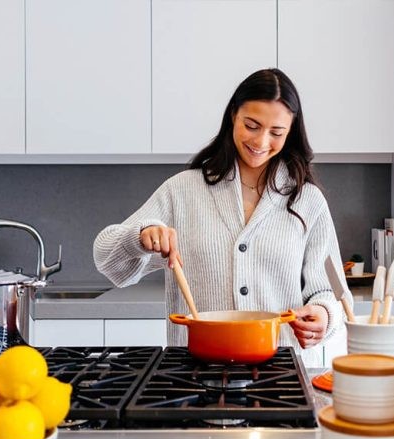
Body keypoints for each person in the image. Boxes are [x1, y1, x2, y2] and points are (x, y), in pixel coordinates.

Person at [93, 68, 347, 366]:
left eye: (277, 132)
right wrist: (140, 237)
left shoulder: (307, 200)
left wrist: (323, 314)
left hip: (282, 375)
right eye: (252, 125)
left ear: (290, 134)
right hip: (194, 374)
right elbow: (106, 259)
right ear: (232, 117)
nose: (262, 141)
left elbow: (330, 291)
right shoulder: (184, 190)